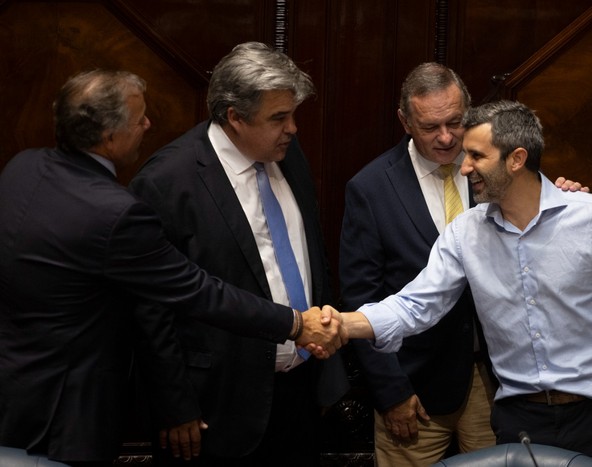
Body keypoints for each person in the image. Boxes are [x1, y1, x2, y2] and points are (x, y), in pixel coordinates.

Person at [0, 69, 343, 467]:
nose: (148, 124)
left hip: (14, 400)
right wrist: (296, 325)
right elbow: (196, 291)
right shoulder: (118, 212)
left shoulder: (22, 167)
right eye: (139, 119)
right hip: (64, 420)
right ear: (109, 137)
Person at [336, 100, 592, 467]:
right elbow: (415, 306)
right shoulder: (463, 233)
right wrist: (342, 324)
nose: (464, 166)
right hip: (520, 422)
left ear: (516, 159)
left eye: (475, 155)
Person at [340, 63, 586, 466]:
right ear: (404, 120)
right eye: (429, 126)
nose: (446, 137)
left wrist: (564, 198)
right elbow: (361, 296)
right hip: (414, 387)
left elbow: (540, 232)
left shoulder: (501, 171)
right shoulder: (371, 188)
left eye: (455, 122)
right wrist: (391, 391)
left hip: (496, 380)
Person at [128, 42, 348, 467]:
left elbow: (310, 252)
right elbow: (149, 310)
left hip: (301, 388)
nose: (294, 128)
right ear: (234, 117)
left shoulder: (286, 152)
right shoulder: (167, 182)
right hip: (218, 405)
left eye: (293, 115)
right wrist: (176, 406)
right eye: (279, 117)